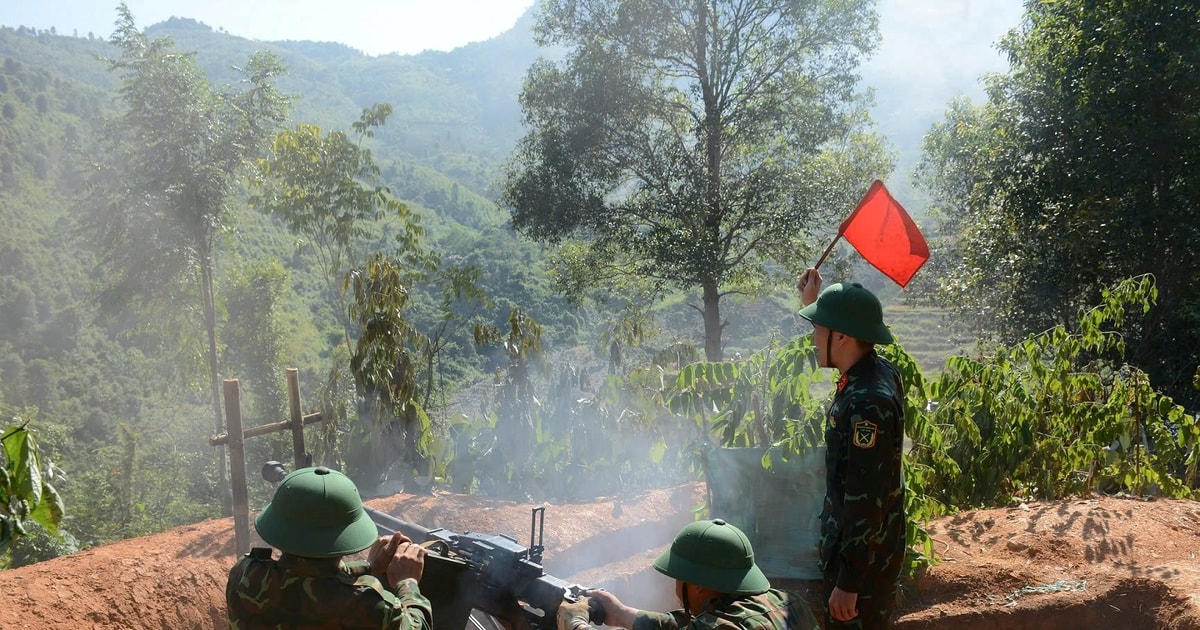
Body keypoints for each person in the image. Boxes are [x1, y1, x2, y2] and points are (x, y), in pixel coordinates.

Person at [796, 268, 907, 629]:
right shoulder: (876, 371)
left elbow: (865, 499)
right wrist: (818, 305)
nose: (814, 338)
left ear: (842, 337)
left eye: (819, 329)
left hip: (863, 569)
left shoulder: (867, 404)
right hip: (863, 557)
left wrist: (849, 582)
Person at [226, 466, 433, 630]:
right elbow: (416, 626)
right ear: (346, 536)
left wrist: (369, 566)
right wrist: (408, 582)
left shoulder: (244, 574)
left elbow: (308, 576)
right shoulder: (365, 605)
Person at [558, 518, 818, 630]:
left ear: (698, 586)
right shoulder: (791, 603)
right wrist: (621, 613)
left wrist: (576, 624)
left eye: (678, 576)